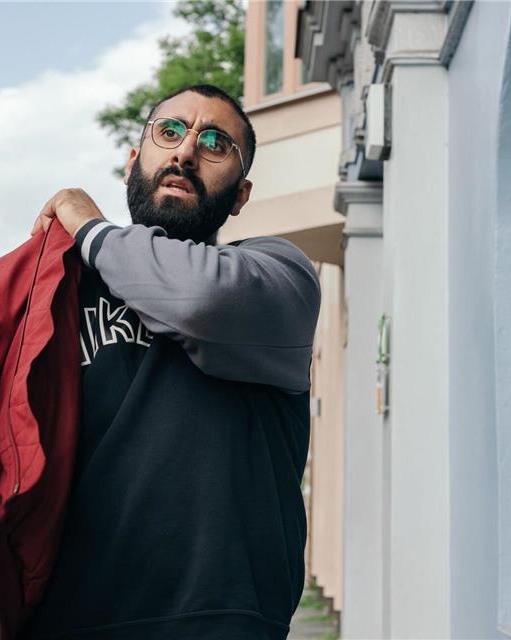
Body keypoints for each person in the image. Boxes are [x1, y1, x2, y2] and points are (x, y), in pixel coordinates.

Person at [25, 84, 321, 639]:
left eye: (215, 143)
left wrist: (89, 226)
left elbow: (199, 299)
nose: (185, 151)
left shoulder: (278, 277)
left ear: (240, 195)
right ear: (134, 162)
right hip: (65, 619)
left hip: (218, 622)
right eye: (170, 132)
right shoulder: (59, 293)